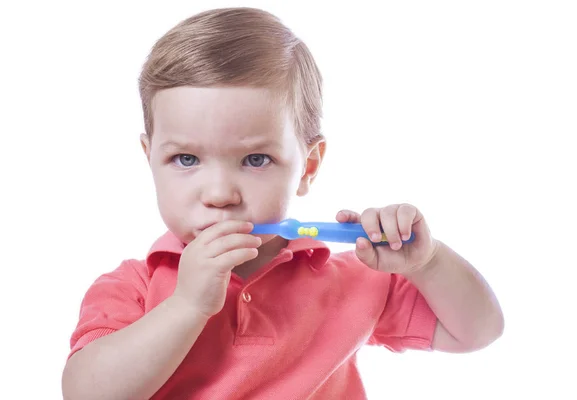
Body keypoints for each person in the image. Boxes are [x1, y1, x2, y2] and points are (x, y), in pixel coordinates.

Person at [61, 7, 504, 400]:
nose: (219, 195)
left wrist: (425, 263)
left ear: (308, 167)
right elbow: (85, 392)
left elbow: (478, 331)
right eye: (186, 159)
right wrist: (186, 306)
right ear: (150, 159)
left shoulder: (353, 280)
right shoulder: (132, 288)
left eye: (255, 159)